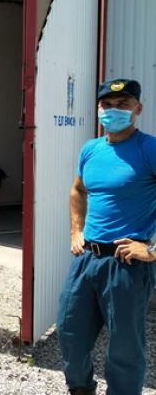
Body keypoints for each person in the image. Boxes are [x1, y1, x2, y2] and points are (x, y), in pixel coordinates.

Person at [57, 78, 156, 395]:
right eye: (107, 105)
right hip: (87, 259)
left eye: (123, 104)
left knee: (125, 347)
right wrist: (76, 230)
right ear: (98, 109)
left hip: (125, 263)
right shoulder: (91, 149)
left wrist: (152, 248)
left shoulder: (149, 148)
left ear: (138, 109)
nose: (113, 110)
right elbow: (77, 190)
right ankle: (81, 388)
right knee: (69, 331)